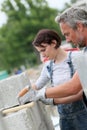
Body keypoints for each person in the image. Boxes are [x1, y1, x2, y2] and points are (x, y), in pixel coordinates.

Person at [18, 29, 87, 130]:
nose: (43, 55)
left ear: (54, 43)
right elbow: (36, 87)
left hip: (83, 117)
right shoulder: (48, 67)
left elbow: (79, 94)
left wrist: (51, 100)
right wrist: (24, 95)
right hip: (65, 121)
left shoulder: (77, 58)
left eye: (43, 50)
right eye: (39, 52)